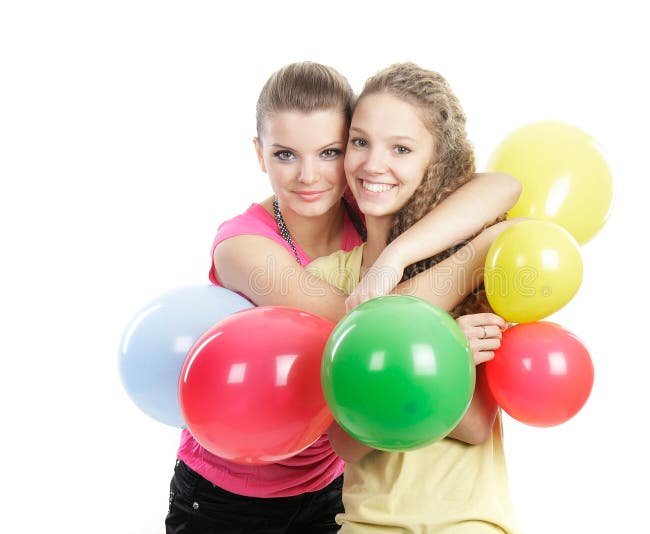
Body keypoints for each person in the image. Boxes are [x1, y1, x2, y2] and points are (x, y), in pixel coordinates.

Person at [165, 61, 520, 533]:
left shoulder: (370, 208)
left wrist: (397, 254)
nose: (309, 177)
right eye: (286, 154)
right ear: (259, 153)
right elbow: (363, 331)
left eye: (329, 151)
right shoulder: (245, 247)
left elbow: (502, 186)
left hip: (332, 486)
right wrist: (477, 260)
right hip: (231, 491)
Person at [306, 62, 522, 533]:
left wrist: (395, 264)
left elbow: (474, 425)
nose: (372, 164)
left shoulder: (477, 260)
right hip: (368, 526)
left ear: (436, 162)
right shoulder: (326, 279)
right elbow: (346, 442)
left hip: (468, 525)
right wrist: (446, 352)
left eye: (400, 148)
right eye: (359, 142)